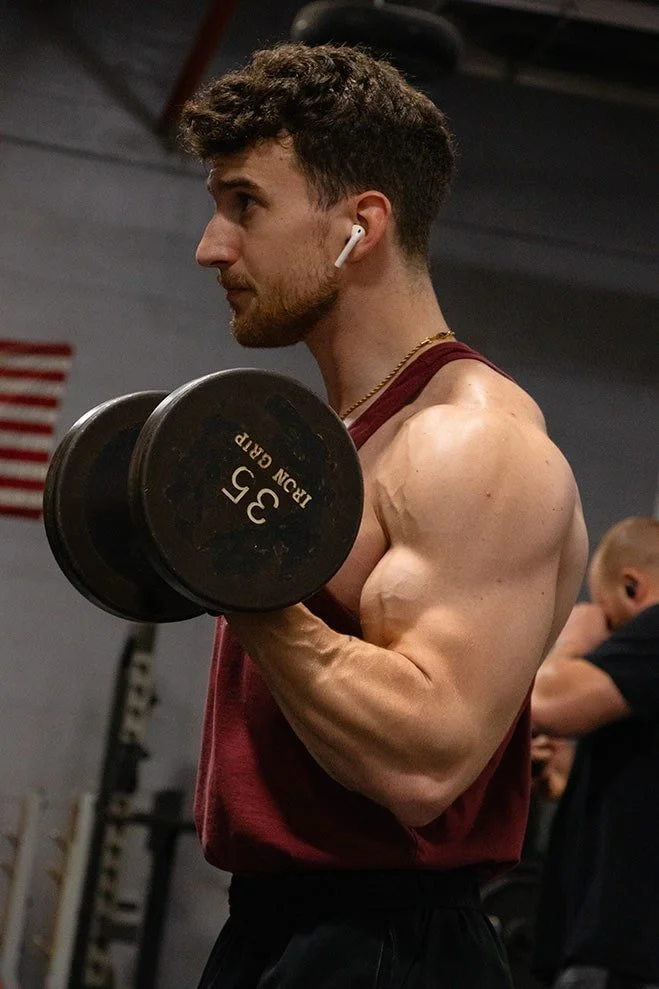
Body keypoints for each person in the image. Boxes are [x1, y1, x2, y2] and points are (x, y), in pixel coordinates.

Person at [179, 43, 587, 988]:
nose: (211, 245)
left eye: (246, 204)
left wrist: (245, 580)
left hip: (388, 951)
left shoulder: (465, 445)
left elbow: (423, 762)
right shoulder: (343, 440)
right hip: (276, 931)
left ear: (359, 226)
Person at [531, 516, 659, 989]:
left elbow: (545, 702)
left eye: (608, 616)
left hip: (622, 955)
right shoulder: (640, 678)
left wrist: (574, 641)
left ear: (631, 587)